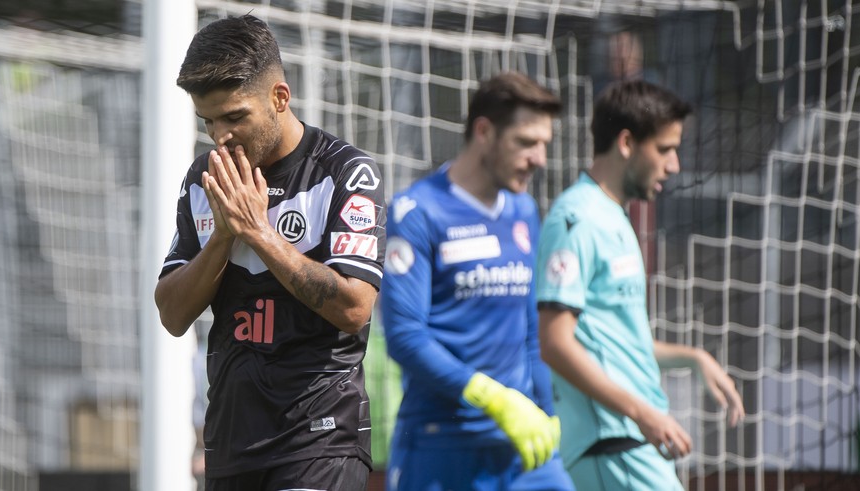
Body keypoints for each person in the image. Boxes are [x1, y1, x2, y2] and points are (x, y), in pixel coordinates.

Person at [153, 14, 385, 491]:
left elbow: (355, 308)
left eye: (235, 117)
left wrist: (260, 233)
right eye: (209, 121)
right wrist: (222, 236)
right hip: (232, 438)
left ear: (280, 98)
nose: (221, 136)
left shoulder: (346, 174)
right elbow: (173, 315)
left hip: (319, 436)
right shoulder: (205, 180)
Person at [536, 79, 745, 491]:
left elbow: (613, 342)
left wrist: (694, 356)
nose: (675, 165)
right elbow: (555, 343)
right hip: (612, 440)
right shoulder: (576, 218)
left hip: (627, 441)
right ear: (627, 142)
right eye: (665, 149)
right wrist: (641, 413)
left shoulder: (614, 216)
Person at [380, 71, 575, 491]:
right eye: (526, 142)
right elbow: (405, 336)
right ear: (484, 131)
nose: (540, 158)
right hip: (442, 446)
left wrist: (544, 411)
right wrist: (493, 398)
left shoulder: (523, 211)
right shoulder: (417, 211)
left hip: (522, 445)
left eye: (544, 144)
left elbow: (529, 331)